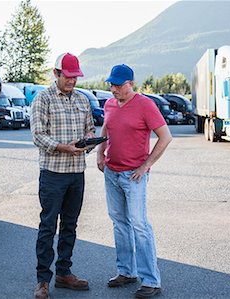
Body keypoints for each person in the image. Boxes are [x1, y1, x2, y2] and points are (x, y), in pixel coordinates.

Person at [97, 64, 172, 298]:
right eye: (111, 84)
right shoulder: (109, 104)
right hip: (111, 173)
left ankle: (151, 280)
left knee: (139, 225)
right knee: (119, 223)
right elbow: (105, 130)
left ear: (131, 84)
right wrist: (100, 153)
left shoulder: (145, 105)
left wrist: (145, 165)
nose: (114, 89)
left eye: (118, 85)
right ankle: (127, 271)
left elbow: (165, 137)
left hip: (134, 175)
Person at [30, 52, 95, 299]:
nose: (72, 81)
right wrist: (63, 147)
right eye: (68, 77)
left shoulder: (82, 99)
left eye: (75, 77)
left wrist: (90, 140)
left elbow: (90, 129)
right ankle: (42, 280)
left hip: (77, 174)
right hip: (53, 174)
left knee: (70, 224)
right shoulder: (42, 99)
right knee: (48, 225)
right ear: (56, 73)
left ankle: (64, 273)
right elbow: (38, 135)